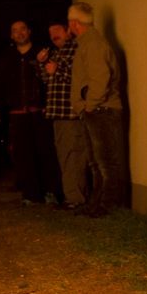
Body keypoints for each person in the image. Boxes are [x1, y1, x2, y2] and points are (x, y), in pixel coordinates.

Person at [68, 2, 129, 216]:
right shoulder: (88, 43)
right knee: (98, 162)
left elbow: (100, 78)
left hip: (102, 110)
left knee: (106, 162)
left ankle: (109, 206)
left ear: (74, 23)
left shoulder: (92, 44)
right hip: (97, 109)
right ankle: (98, 204)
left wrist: (89, 106)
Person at [0, 20, 60, 204]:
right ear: (11, 35)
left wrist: (47, 103)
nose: (19, 33)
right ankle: (31, 194)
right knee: (23, 156)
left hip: (40, 112)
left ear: (29, 32)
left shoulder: (42, 53)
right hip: (17, 115)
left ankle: (50, 191)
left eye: (22, 29)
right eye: (15, 31)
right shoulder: (6, 58)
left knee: (45, 153)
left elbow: (50, 81)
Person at [39, 19, 90, 209]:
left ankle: (76, 199)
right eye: (51, 32)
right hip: (57, 113)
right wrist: (42, 63)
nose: (54, 35)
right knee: (65, 156)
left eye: (57, 30)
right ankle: (73, 197)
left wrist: (57, 69)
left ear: (68, 30)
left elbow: (79, 78)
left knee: (73, 156)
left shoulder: (74, 49)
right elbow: (47, 79)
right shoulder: (56, 52)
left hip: (70, 113)